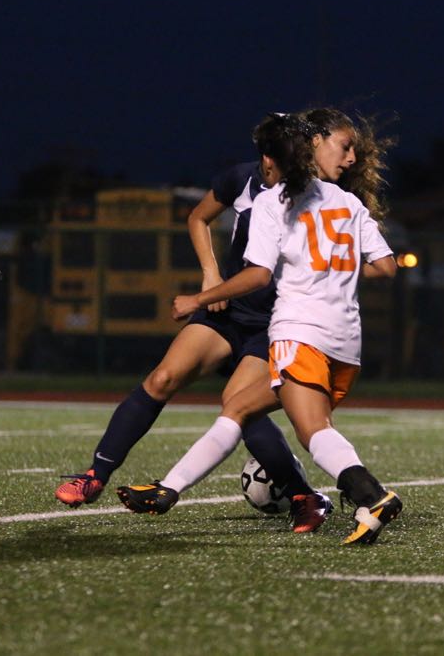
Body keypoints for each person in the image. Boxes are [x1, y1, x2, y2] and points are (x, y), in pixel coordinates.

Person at [118, 108, 402, 545]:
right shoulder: (350, 203)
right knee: (238, 408)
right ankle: (167, 489)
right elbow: (385, 267)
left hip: (300, 333)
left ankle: (371, 494)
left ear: (277, 158)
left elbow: (257, 276)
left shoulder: (274, 202)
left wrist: (199, 298)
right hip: (346, 343)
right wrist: (333, 273)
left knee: (314, 432)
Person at [55, 113, 339, 532]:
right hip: (228, 310)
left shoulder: (320, 198)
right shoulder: (243, 180)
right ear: (266, 160)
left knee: (239, 407)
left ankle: (303, 496)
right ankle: (95, 475)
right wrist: (211, 273)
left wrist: (204, 296)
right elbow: (197, 218)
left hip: (276, 323)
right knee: (163, 378)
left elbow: (275, 272)